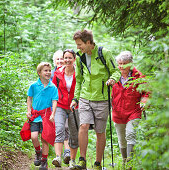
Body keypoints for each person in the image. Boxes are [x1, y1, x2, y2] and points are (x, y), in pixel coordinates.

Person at [70, 29, 121, 170]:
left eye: (80, 44)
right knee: (83, 126)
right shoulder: (80, 57)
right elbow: (79, 79)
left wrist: (112, 79)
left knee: (100, 131)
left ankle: (98, 163)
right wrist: (75, 98)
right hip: (85, 96)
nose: (78, 47)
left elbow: (116, 71)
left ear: (88, 42)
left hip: (102, 98)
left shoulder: (104, 53)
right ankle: (82, 160)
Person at [111, 51, 149, 164]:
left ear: (130, 64)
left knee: (130, 134)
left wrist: (145, 99)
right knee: (122, 140)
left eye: (124, 63)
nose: (121, 66)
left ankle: (130, 163)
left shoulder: (138, 76)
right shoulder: (114, 76)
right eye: (119, 63)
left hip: (134, 111)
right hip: (118, 112)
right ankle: (124, 161)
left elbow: (146, 91)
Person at [21, 62, 58, 170]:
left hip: (46, 115)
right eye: (45, 70)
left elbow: (55, 101)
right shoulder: (33, 86)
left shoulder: (53, 87)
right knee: (34, 136)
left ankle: (44, 161)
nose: (48, 72)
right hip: (35, 115)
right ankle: (38, 151)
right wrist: (28, 110)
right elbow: (29, 98)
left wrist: (53, 114)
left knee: (45, 138)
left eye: (49, 70)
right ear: (39, 73)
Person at [51, 49, 79, 169]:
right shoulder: (58, 74)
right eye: (65, 58)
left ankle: (72, 160)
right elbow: (53, 91)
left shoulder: (79, 73)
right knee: (59, 130)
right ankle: (58, 157)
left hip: (74, 106)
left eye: (69, 58)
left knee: (74, 134)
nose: (67, 60)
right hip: (60, 105)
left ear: (74, 59)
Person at [51, 50, 71, 163]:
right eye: (57, 59)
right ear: (54, 61)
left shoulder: (69, 72)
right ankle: (58, 156)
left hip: (68, 105)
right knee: (59, 129)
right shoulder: (52, 73)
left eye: (61, 59)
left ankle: (67, 152)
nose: (59, 61)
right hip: (56, 105)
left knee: (67, 128)